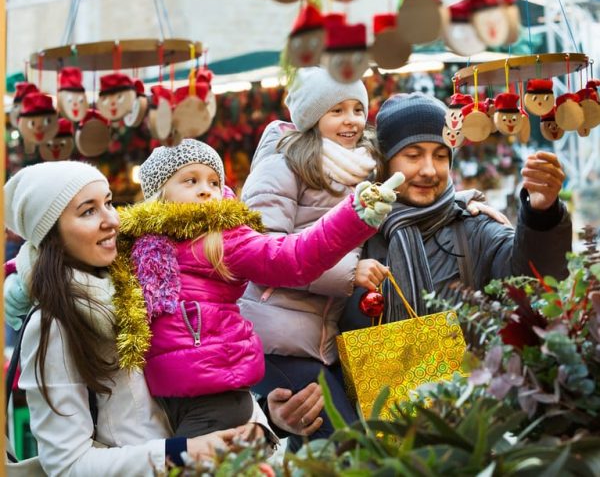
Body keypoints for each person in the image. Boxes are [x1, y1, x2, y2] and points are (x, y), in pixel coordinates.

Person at [114, 138, 395, 440]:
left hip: (216, 396)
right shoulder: (138, 247)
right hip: (167, 397)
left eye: (213, 181)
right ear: (159, 193)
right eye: (190, 180)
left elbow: (294, 256)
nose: (205, 189)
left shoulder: (222, 238)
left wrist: (352, 217)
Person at [3, 161, 248, 476]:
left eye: (107, 203)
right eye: (88, 211)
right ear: (52, 234)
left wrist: (262, 423)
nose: (112, 220)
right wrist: (180, 452)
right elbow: (66, 464)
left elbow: (200, 381)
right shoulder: (54, 325)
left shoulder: (142, 282)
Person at [237, 67, 391, 450]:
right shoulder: (281, 165)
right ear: (311, 117)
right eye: (337, 110)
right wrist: (349, 272)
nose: (351, 120)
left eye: (357, 108)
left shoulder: (357, 169)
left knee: (327, 441)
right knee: (345, 441)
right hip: (272, 337)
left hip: (313, 339)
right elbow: (260, 253)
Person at [344, 92, 572, 330]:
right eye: (413, 155)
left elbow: (532, 285)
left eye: (441, 156)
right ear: (385, 162)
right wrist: (347, 276)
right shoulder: (353, 232)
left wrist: (541, 214)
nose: (430, 170)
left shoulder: (475, 227)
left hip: (468, 367)